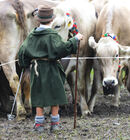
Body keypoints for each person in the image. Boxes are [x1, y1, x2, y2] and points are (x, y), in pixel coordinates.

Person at [18, 5, 83, 133]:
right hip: (52, 69)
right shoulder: (53, 35)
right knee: (55, 96)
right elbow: (62, 49)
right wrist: (75, 40)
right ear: (52, 20)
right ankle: (55, 123)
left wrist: (25, 64)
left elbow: (22, 51)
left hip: (37, 70)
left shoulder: (32, 35)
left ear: (38, 20)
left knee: (39, 97)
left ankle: (39, 124)